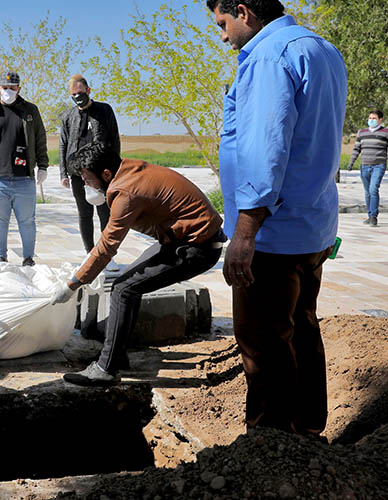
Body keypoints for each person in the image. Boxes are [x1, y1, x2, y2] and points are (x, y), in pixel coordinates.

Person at [208, 0, 347, 437]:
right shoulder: (321, 49)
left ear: (244, 12)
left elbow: (264, 150)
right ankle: (306, 431)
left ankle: (270, 444)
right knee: (301, 327)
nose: (224, 36)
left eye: (223, 24)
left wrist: (244, 234)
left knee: (263, 341)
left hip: (273, 233)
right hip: (312, 226)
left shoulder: (269, 57)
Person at [52, 143, 225, 386]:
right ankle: (115, 356)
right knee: (126, 284)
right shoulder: (128, 171)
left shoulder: (125, 191)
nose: (85, 185)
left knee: (124, 289)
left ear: (106, 174)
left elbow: (107, 246)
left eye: (87, 179)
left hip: (197, 247)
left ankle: (106, 369)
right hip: (181, 239)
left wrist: (73, 284)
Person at [0, 71, 49, 266]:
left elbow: (40, 139)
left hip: (24, 178)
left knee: (27, 221)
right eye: (5, 87)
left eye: (12, 88)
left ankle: (28, 258)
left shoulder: (30, 111)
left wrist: (43, 166)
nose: (8, 91)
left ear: (19, 88)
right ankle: (1, 257)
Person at [58, 74, 120, 255]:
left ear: (88, 90)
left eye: (80, 92)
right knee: (84, 214)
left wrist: (115, 168)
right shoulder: (68, 116)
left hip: (101, 173)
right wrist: (63, 172)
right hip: (78, 173)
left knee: (105, 213)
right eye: (73, 94)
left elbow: (114, 139)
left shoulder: (104, 110)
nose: (78, 96)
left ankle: (106, 254)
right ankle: (89, 253)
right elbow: (63, 144)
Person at [346, 109, 387, 227]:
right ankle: (370, 215)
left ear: (380, 120)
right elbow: (356, 149)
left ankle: (373, 216)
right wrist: (351, 162)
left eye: (374, 118)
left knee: (373, 189)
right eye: (370, 118)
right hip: (364, 166)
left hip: (379, 165)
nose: (371, 120)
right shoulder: (362, 133)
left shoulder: (385, 132)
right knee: (367, 192)